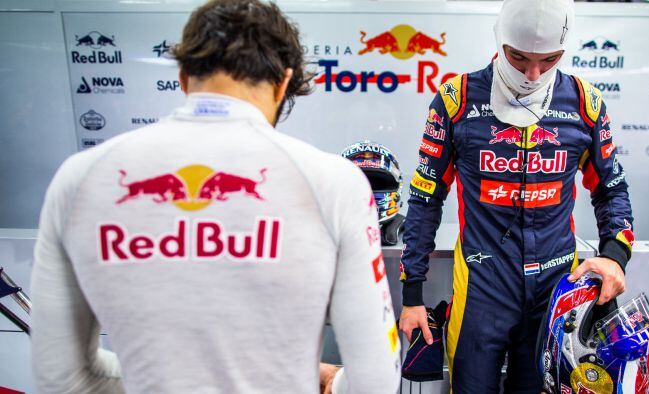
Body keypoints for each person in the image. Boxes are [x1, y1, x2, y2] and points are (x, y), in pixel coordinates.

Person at [30, 0, 401, 393]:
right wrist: (314, 377)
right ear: (283, 81)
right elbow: (374, 382)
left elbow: (61, 378)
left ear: (183, 76)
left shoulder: (80, 179)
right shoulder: (333, 182)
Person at [398, 0, 634, 392]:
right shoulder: (455, 100)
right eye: (519, 57)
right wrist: (412, 294)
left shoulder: (585, 103)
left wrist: (615, 255)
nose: (532, 73)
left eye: (549, 59)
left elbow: (612, 189)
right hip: (483, 283)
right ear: (500, 39)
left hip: (557, 286)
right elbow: (425, 198)